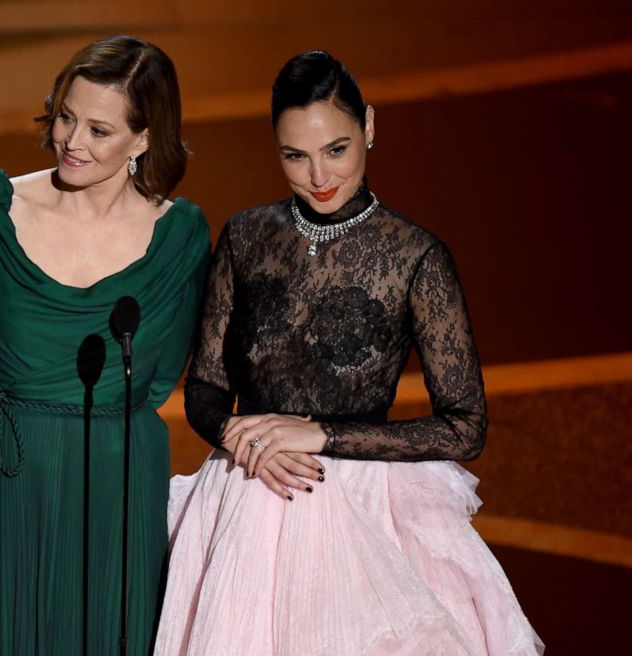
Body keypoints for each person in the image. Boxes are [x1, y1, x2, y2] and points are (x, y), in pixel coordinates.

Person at [154, 51, 544, 655]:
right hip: (244, 505)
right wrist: (237, 434)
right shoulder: (246, 236)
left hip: (365, 514)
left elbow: (465, 428)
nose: (319, 176)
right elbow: (204, 387)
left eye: (336, 148)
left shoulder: (416, 258)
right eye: (295, 156)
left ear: (368, 125)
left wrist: (321, 436)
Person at [0, 35, 211, 655]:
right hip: (9, 484)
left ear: (144, 139)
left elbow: (161, 375)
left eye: (99, 130)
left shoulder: (181, 239)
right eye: (66, 116)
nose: (72, 141)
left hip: (122, 489)